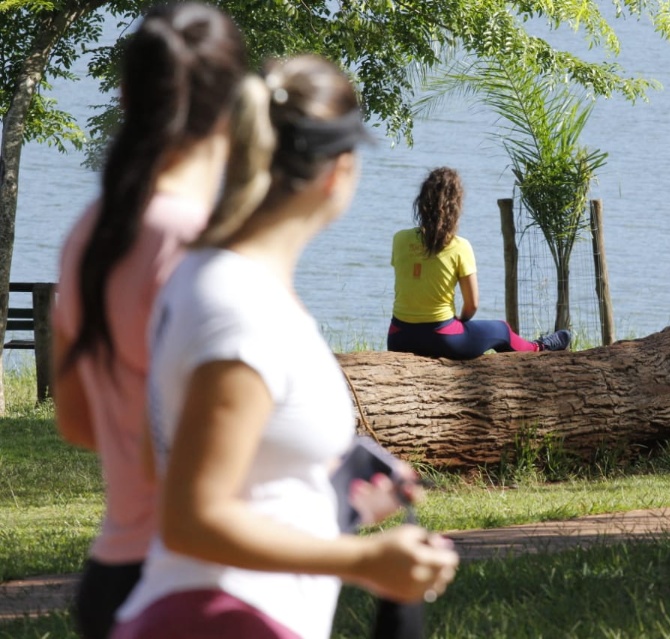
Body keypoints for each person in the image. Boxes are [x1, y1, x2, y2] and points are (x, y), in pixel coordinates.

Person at [111, 55, 459, 639]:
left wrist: (342, 508)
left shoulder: (209, 281)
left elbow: (161, 466)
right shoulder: (241, 307)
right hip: (222, 618)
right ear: (340, 170)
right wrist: (365, 562)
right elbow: (190, 518)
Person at [51, 5, 247, 637]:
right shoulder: (197, 245)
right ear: (235, 106)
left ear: (127, 95)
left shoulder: (90, 230)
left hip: (112, 577)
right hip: (190, 587)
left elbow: (77, 419)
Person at [388, 167, 571, 360]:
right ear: (455, 207)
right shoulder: (460, 246)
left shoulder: (399, 239)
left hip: (399, 338)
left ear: (422, 202)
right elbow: (472, 304)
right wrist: (461, 321)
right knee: (501, 330)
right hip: (442, 338)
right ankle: (539, 348)